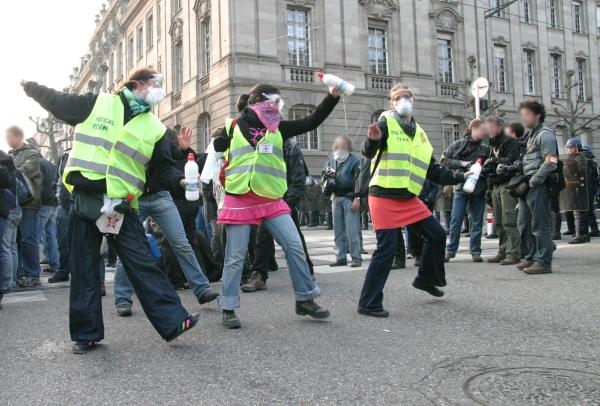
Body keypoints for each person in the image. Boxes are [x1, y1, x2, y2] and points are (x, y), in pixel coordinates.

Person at [22, 68, 201, 353]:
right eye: (157, 84)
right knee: (84, 267)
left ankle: (173, 322)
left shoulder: (155, 127)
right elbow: (59, 101)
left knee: (142, 261)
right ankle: (86, 334)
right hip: (88, 198)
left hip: (121, 203)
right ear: (139, 84)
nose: (160, 90)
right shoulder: (99, 103)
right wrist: (30, 86)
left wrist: (180, 181)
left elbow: (162, 167)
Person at [212, 83, 337, 328]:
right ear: (258, 100)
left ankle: (305, 298)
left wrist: (332, 96)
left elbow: (311, 122)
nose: (278, 106)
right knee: (236, 256)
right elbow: (217, 147)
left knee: (294, 245)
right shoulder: (234, 126)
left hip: (270, 196)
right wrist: (219, 144)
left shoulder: (278, 127)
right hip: (240, 196)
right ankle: (228, 306)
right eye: (274, 101)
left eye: (279, 102)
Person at [358, 83, 468, 317]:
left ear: (413, 100)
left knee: (437, 235)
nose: (404, 100)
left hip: (408, 197)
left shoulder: (419, 133)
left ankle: (426, 280)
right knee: (386, 250)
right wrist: (372, 140)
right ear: (392, 103)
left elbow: (432, 170)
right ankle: (368, 303)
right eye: (398, 97)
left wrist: (460, 176)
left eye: (407, 96)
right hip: (383, 194)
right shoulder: (384, 123)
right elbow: (368, 152)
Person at [242, 136, 315, 292]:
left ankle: (305, 271)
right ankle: (260, 275)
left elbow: (298, 177)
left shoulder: (291, 146)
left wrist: (288, 202)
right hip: (269, 197)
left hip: (284, 199)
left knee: (292, 238)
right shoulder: (262, 143)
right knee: (265, 236)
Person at [516, 101, 558, 274]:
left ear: (537, 115)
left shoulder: (545, 135)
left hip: (537, 185)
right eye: (522, 114)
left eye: (526, 114)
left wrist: (533, 181)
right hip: (528, 185)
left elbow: (551, 162)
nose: (523, 118)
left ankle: (543, 262)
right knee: (524, 224)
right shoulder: (531, 135)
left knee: (540, 225)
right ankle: (531, 257)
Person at [441, 119, 490, 263]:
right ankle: (451, 250)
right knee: (456, 220)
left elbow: (490, 166)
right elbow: (444, 160)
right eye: (482, 130)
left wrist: (482, 169)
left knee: (477, 220)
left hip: (479, 188)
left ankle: (475, 251)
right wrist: (463, 164)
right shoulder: (459, 144)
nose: (484, 133)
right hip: (461, 187)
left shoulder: (486, 148)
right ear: (473, 129)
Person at [6, 126, 43, 288]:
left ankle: (33, 274)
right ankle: (19, 273)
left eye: (8, 137)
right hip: (15, 203)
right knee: (17, 241)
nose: (7, 140)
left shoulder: (31, 154)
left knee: (29, 239)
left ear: (18, 137)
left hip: (29, 203)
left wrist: (6, 170)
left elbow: (24, 171)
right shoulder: (10, 155)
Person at [484, 117, 521, 265]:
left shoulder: (510, 142)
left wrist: (494, 162)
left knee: (509, 220)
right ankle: (503, 250)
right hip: (495, 185)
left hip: (507, 184)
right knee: (499, 222)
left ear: (499, 127)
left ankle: (513, 253)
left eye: (491, 127)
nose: (489, 130)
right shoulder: (492, 145)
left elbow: (513, 162)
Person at [323, 136, 363, 267]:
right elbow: (324, 177)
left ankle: (356, 257)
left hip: (349, 197)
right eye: (338, 145)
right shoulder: (331, 161)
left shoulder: (355, 160)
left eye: (343, 145)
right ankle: (340, 257)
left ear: (348, 146)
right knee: (338, 230)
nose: (340, 148)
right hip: (335, 197)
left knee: (352, 229)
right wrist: (326, 176)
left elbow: (359, 180)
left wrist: (357, 197)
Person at [563, 138, 590, 244]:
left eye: (572, 148)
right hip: (571, 187)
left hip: (580, 188)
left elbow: (580, 173)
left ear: (577, 148)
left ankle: (582, 234)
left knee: (580, 211)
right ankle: (580, 233)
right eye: (568, 148)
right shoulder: (570, 159)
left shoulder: (580, 159)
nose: (569, 150)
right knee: (576, 211)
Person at [0, 149, 17, 308]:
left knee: (5, 248)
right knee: (7, 248)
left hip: (3, 210)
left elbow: (9, 181)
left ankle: (4, 287)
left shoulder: (4, 159)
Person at [38, 157, 60, 273]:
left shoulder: (38, 164)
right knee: (52, 236)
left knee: (36, 236)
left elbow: (40, 185)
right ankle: (55, 263)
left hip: (45, 203)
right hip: (53, 203)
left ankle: (34, 269)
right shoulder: (51, 165)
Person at [582, 145, 599, 237]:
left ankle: (588, 230)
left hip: (588, 188)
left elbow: (587, 177)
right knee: (590, 209)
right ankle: (594, 230)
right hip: (592, 188)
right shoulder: (593, 162)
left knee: (587, 209)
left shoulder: (588, 162)